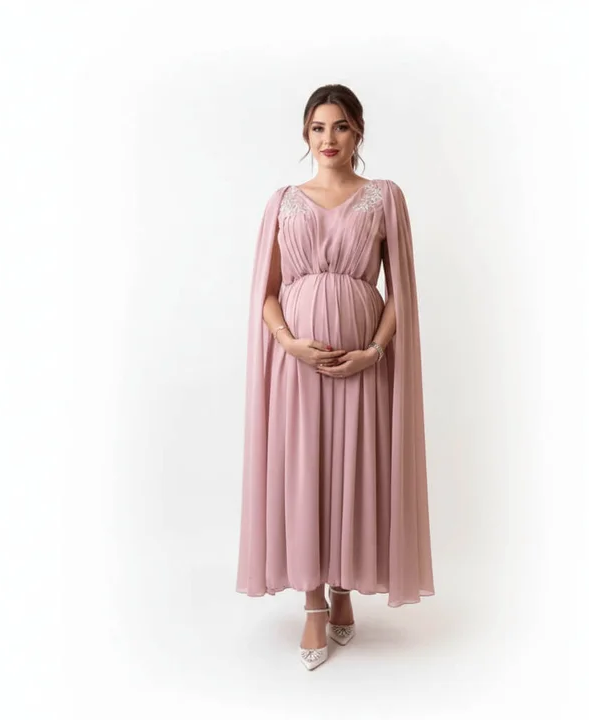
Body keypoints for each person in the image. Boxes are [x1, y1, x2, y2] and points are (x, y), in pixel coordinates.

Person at [236, 84, 435, 670]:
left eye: (341, 126)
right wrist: (288, 341)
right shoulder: (282, 202)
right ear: (306, 134)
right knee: (304, 470)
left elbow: (401, 291)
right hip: (297, 364)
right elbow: (266, 292)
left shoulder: (384, 197)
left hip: (361, 362)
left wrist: (375, 350)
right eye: (319, 127)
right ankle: (314, 603)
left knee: (352, 467)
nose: (329, 138)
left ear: (358, 132)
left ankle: (345, 586)